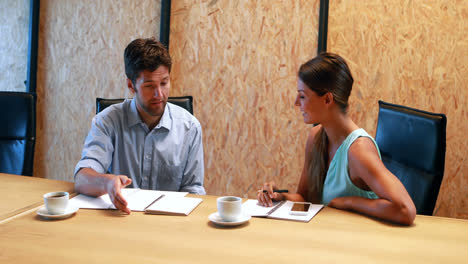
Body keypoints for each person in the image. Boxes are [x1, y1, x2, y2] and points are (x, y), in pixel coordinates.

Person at [257, 53, 416, 225]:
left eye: (302, 96)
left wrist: (348, 202)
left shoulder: (358, 150)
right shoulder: (315, 137)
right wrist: (279, 196)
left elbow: (405, 209)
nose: (296, 102)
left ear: (327, 99)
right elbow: (305, 198)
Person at [75, 38, 205, 214]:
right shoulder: (107, 121)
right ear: (131, 85)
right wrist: (107, 182)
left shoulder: (190, 128)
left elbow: (194, 192)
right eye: (149, 86)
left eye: (164, 83)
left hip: (169, 223)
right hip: (120, 219)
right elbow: (82, 178)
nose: (159, 94)